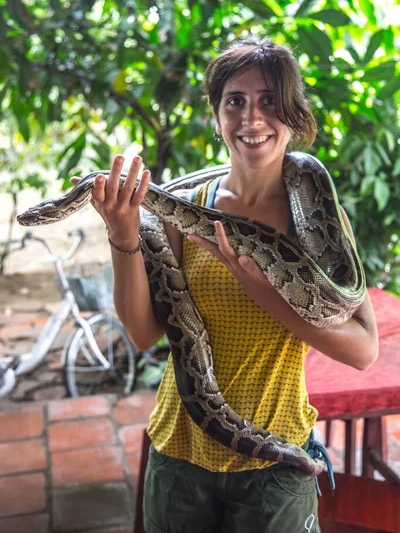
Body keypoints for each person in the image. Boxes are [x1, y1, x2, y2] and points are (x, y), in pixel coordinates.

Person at [76, 37, 378, 532]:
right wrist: (122, 235)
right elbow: (143, 333)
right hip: (181, 450)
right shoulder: (184, 209)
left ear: (294, 115)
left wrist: (261, 288)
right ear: (216, 117)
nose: (251, 119)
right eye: (234, 101)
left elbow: (364, 351)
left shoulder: (321, 225)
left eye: (269, 101)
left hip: (276, 466)